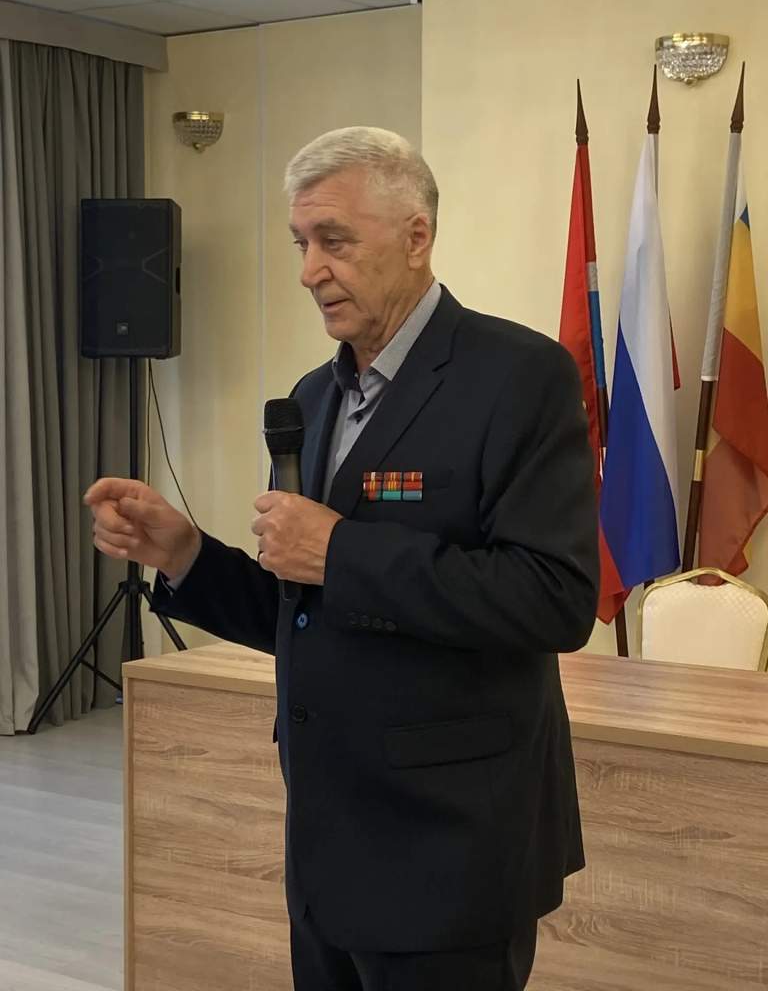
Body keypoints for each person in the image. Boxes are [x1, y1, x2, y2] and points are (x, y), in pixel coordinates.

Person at [85, 126, 599, 991]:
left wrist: (342, 550)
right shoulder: (313, 397)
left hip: (452, 848)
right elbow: (303, 609)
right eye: (300, 243)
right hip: (326, 841)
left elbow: (555, 597)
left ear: (416, 236)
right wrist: (186, 555)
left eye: (334, 240)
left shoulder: (519, 376)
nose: (309, 270)